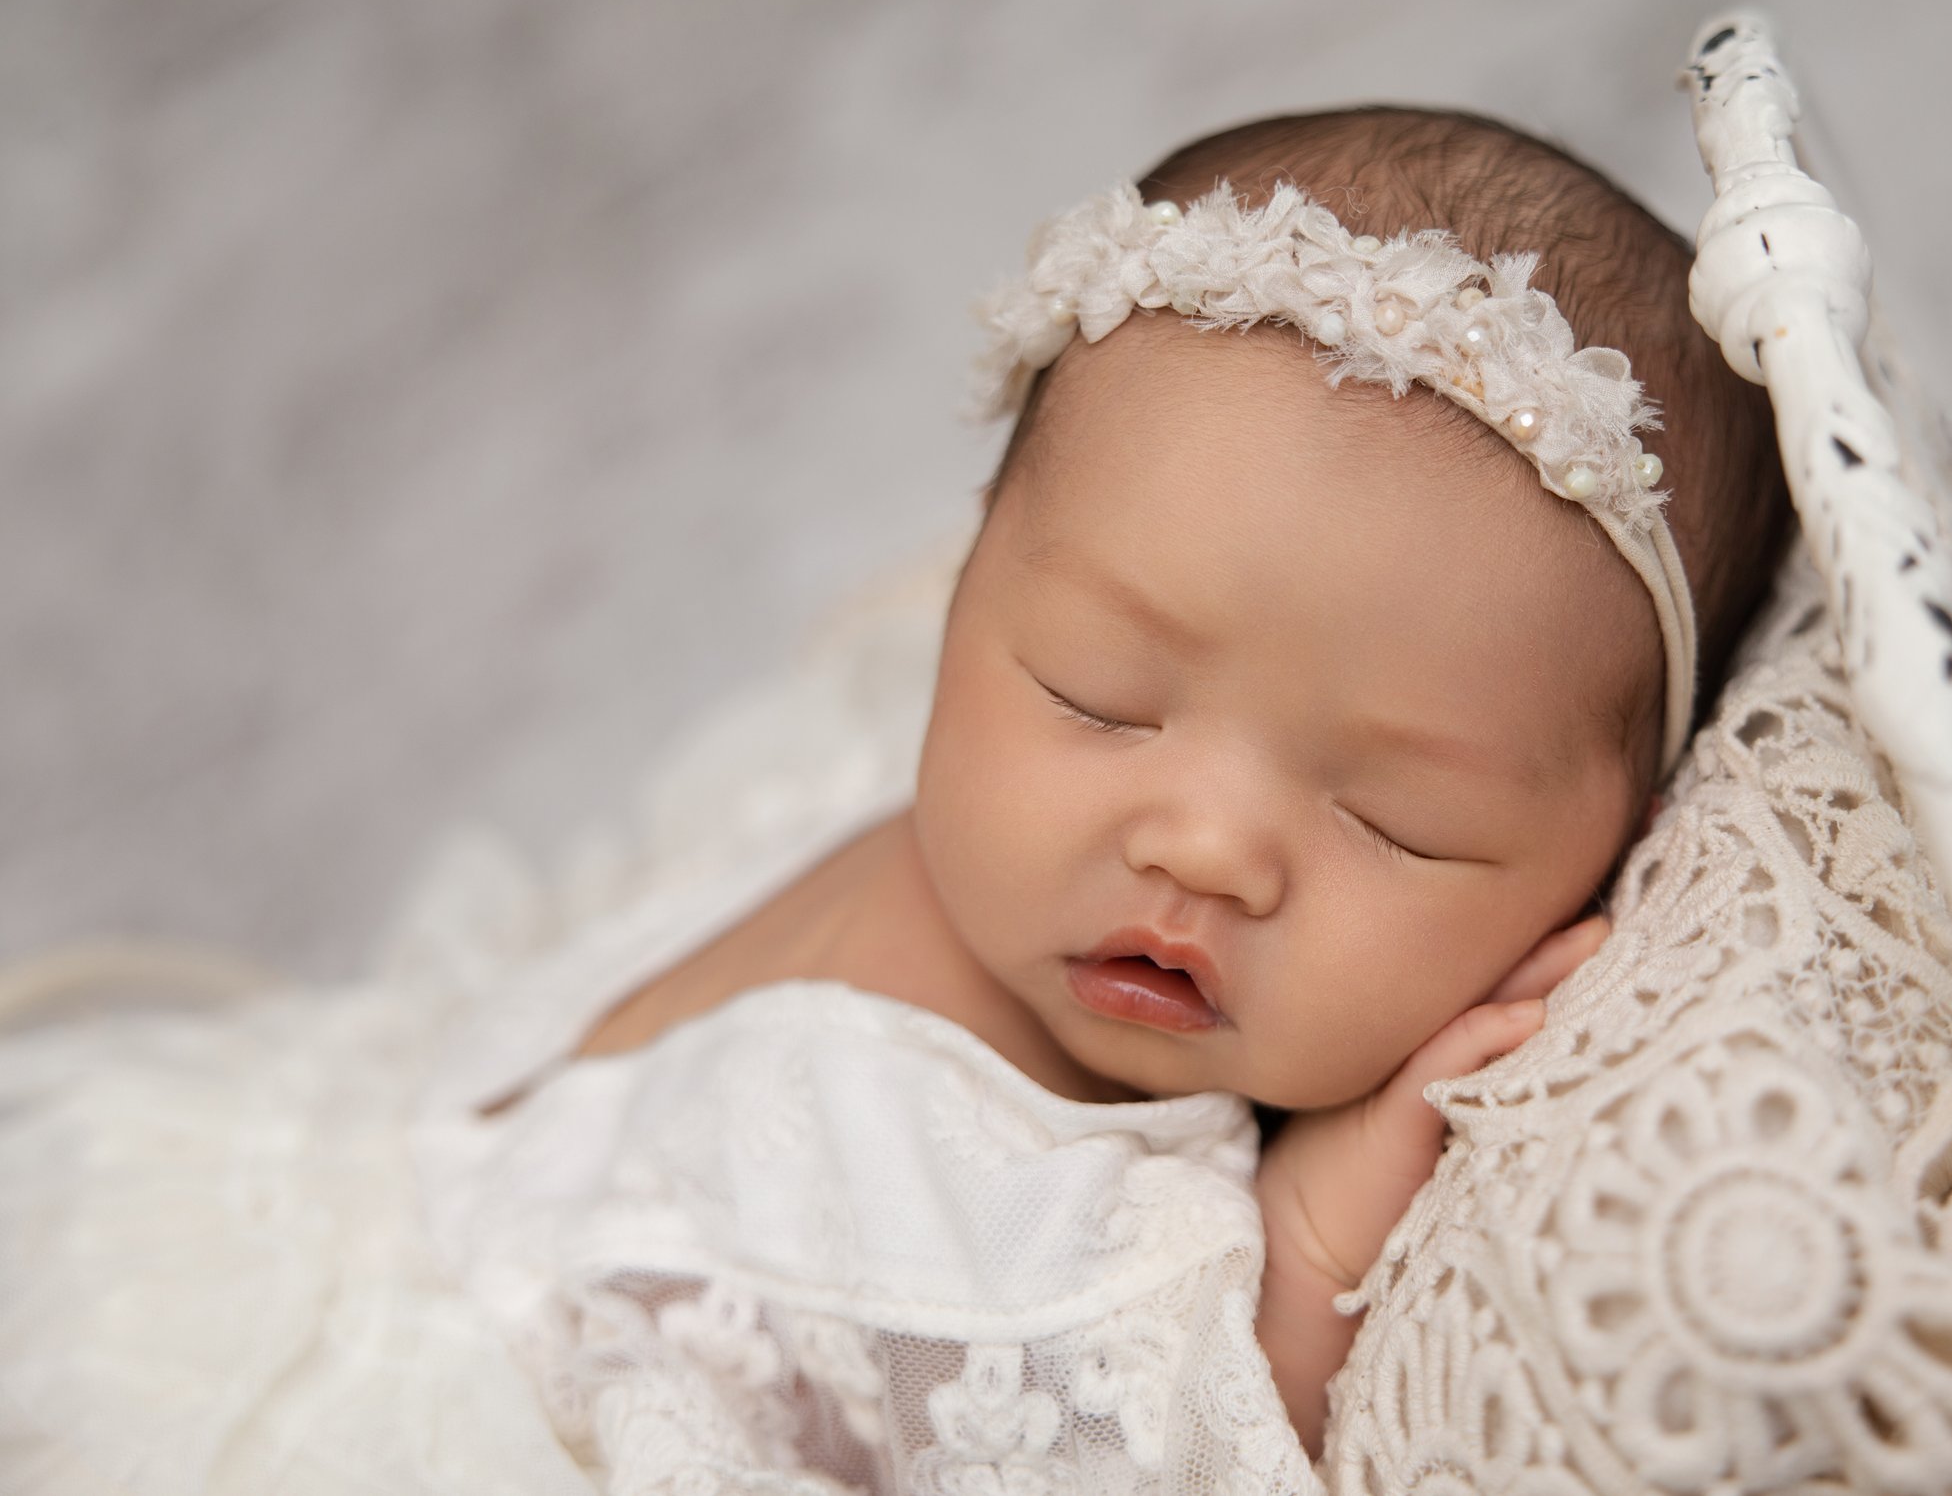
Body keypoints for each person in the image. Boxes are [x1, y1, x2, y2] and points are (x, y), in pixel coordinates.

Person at [0, 107, 1788, 1493]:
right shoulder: (962, 1183)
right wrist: (1309, 1252)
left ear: (1607, 856)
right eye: (1098, 696)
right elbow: (1139, 1449)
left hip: (379, 1178)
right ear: (970, 599)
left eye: (1393, 818)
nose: (1204, 845)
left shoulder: (992, 849)